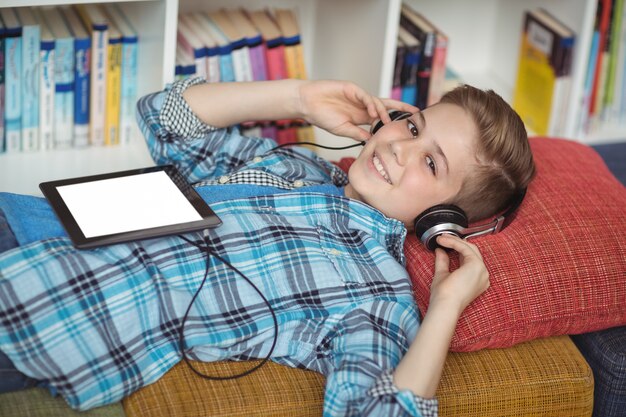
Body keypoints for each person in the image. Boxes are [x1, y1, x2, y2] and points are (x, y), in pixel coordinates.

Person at [0, 77, 535, 416]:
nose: (399, 146)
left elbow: (376, 411)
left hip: (42, 305)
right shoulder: (298, 166)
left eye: (432, 162)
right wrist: (297, 98)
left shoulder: (375, 292)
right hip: (24, 220)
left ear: (445, 218)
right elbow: (164, 117)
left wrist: (444, 308)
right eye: (412, 125)